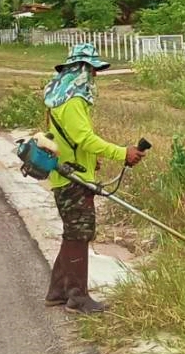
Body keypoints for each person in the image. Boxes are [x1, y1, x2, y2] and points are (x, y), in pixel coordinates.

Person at [42, 42, 145, 313]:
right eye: (92, 71)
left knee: (73, 234)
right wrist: (122, 153)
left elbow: (71, 140)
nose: (95, 77)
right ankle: (77, 297)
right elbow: (84, 137)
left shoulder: (58, 98)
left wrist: (91, 159)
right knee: (79, 234)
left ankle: (58, 291)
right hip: (72, 179)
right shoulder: (74, 101)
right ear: (82, 70)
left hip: (70, 173)